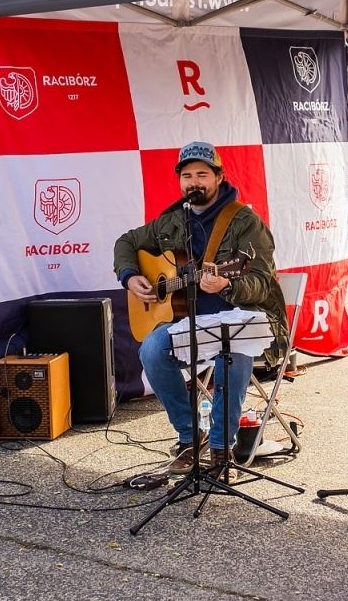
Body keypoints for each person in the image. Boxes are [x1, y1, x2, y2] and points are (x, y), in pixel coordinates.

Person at [114, 141, 285, 476]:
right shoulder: (172, 221)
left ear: (219, 177)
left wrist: (227, 285)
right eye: (187, 175)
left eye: (202, 175)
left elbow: (262, 283)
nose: (194, 182)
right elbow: (127, 242)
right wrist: (130, 276)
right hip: (190, 320)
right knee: (152, 351)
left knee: (233, 351)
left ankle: (222, 449)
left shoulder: (245, 222)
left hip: (240, 319)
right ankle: (191, 437)